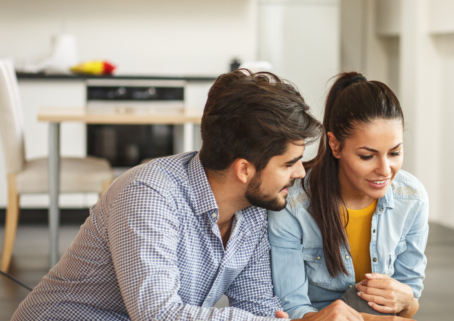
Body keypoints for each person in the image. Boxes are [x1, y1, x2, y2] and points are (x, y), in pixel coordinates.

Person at [12, 70, 366, 321]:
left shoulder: (256, 209)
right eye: (289, 163)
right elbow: (159, 314)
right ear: (244, 169)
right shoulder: (148, 195)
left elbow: (259, 306)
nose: (301, 173)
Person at [268, 72, 428, 321]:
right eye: (367, 156)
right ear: (334, 145)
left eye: (395, 153)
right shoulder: (293, 204)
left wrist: (407, 300)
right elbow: (292, 310)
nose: (385, 170)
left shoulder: (412, 198)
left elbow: (409, 305)